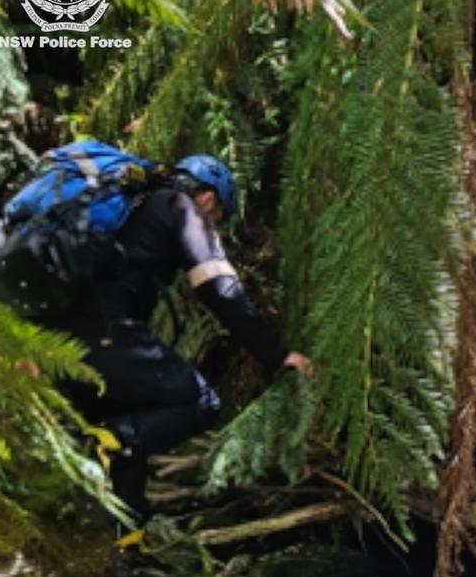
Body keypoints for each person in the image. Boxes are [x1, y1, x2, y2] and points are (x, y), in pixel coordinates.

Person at [54, 154, 311, 546]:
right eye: (219, 217)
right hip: (107, 333)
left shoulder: (133, 205)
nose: (215, 226)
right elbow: (221, 290)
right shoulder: (181, 208)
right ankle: (110, 487)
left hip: (60, 338)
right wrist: (276, 355)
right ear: (207, 198)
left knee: (124, 429)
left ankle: (122, 545)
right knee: (199, 402)